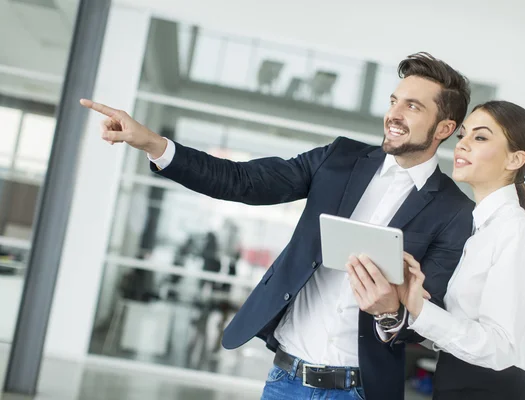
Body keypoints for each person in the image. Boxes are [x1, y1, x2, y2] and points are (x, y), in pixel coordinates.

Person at [80, 52, 474, 400]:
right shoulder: (338, 159)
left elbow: (431, 314)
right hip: (286, 381)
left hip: (360, 390)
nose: (394, 114)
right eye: (393, 101)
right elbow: (243, 180)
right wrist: (154, 144)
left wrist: (391, 312)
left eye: (412, 107)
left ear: (443, 128)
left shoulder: (455, 211)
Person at [348, 101, 525, 400]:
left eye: (480, 137)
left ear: (515, 159)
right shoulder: (480, 227)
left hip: (490, 390)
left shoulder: (517, 231)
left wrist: (418, 309)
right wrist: (408, 299)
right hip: (455, 381)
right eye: (462, 136)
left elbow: (501, 347)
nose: (462, 145)